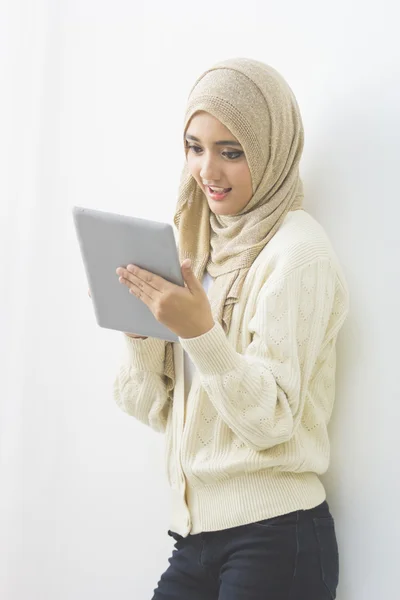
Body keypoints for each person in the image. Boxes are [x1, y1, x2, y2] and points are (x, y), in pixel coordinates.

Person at [112, 57, 349, 599]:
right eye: (195, 147)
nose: (207, 172)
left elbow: (270, 420)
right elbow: (150, 409)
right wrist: (144, 338)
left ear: (271, 150)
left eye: (232, 152)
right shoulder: (195, 246)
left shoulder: (298, 253)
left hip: (276, 537)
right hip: (194, 537)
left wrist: (200, 333)